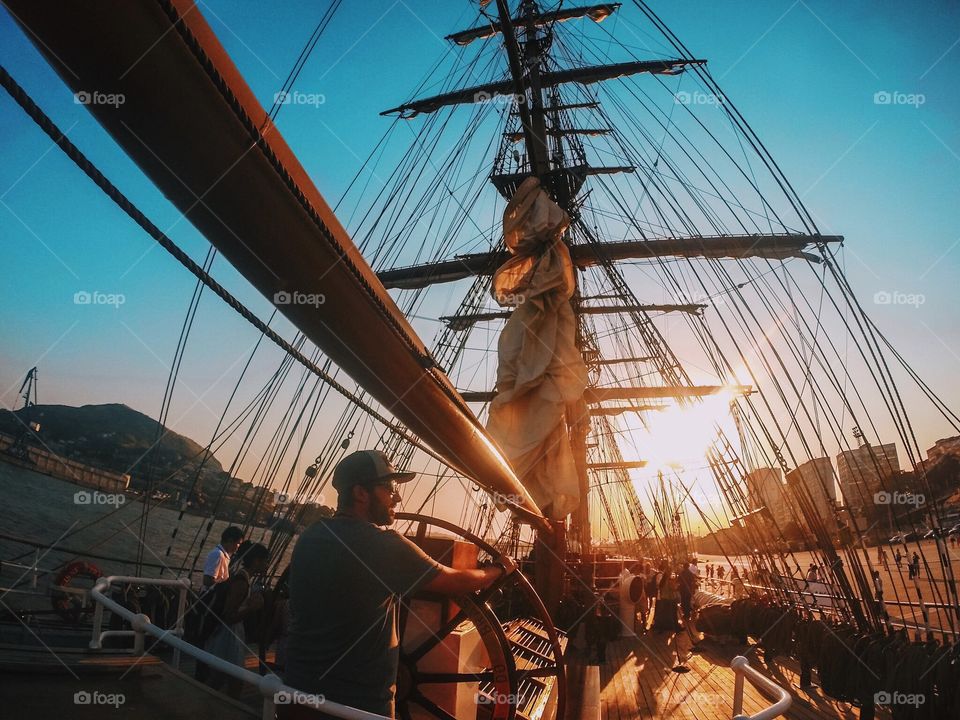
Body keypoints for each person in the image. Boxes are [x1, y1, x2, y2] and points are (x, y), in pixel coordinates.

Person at [282, 450, 507, 719]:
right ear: (360, 493)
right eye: (389, 487)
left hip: (296, 697)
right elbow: (454, 581)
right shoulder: (383, 545)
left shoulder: (311, 535)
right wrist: (498, 570)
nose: (397, 496)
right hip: (358, 708)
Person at [204, 542, 270, 697]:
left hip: (230, 634)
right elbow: (228, 616)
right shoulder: (241, 583)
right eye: (265, 561)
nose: (267, 565)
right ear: (256, 561)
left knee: (220, 678)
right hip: (229, 636)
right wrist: (251, 608)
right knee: (235, 680)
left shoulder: (241, 578)